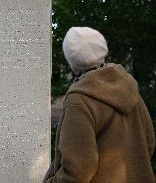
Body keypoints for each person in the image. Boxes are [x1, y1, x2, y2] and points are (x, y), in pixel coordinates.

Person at [43, 27, 155, 183]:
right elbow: (149, 143)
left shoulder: (80, 99)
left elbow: (78, 170)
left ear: (70, 59)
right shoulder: (128, 86)